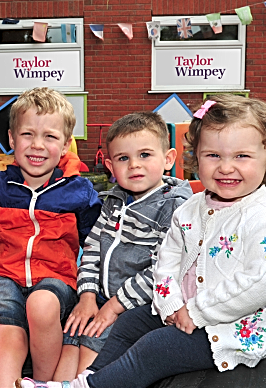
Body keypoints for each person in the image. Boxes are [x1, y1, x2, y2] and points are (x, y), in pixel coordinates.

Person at [18, 94, 266, 388]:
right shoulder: (193, 207)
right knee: (130, 323)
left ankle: (85, 387)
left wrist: (196, 311)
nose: (226, 167)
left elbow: (259, 283)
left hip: (230, 328)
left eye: (241, 156)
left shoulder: (263, 219)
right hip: (181, 312)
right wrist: (172, 304)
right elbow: (166, 260)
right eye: (213, 155)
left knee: (155, 348)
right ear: (196, 158)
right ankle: (90, 378)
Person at [0, 87, 102, 387]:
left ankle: (42, 384)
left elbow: (95, 245)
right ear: (11, 139)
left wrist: (89, 294)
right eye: (28, 134)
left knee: (41, 305)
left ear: (67, 144)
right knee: (9, 334)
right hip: (4, 276)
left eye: (50, 137)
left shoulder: (79, 192)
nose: (37, 145)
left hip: (56, 280)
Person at [64, 112, 192, 375]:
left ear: (168, 159)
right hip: (99, 296)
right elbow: (91, 250)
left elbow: (162, 271)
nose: (134, 165)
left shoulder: (174, 209)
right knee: (69, 342)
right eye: (124, 158)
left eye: (145, 155)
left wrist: (113, 307)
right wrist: (87, 295)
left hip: (136, 307)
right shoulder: (114, 201)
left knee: (89, 354)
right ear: (110, 167)